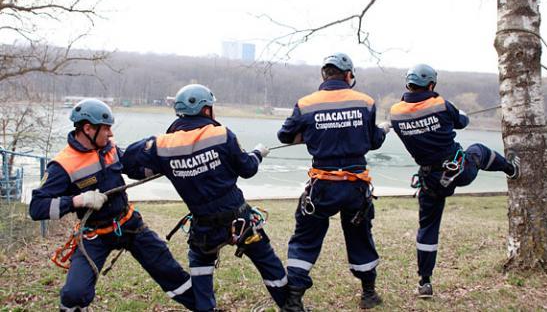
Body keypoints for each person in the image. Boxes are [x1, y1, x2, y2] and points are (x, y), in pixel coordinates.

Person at [121, 84, 288, 311]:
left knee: (200, 267)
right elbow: (248, 169)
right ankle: (291, 306)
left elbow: (130, 163)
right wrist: (258, 153)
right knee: (267, 262)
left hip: (204, 226)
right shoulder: (221, 134)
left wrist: (162, 163)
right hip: (238, 219)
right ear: (207, 110)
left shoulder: (162, 145)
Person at [29, 99, 195, 311]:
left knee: (168, 268)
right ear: (88, 128)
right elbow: (37, 207)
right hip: (94, 234)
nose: (110, 134)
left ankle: (203, 306)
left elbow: (134, 168)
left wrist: (167, 167)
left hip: (128, 224)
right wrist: (78, 200)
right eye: (106, 129)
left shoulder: (110, 150)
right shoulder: (62, 165)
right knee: (74, 293)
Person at [388, 64, 521, 298]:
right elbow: (462, 122)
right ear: (431, 85)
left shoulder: (395, 113)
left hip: (430, 179)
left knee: (428, 228)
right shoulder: (441, 104)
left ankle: (424, 282)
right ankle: (511, 169)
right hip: (459, 170)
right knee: (478, 150)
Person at [277, 52, 388, 311]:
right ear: (349, 76)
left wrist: (315, 133)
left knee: (305, 238)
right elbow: (373, 141)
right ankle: (369, 294)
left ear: (323, 75)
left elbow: (284, 135)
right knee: (360, 235)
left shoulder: (306, 103)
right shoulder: (366, 102)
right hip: (355, 185)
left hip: (322, 185)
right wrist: (382, 130)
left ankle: (293, 298)